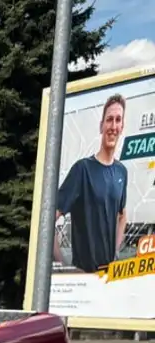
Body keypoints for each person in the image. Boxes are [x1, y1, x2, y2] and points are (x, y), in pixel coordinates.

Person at [55, 94, 128, 273]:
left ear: (122, 126)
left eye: (118, 120)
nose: (113, 126)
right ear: (101, 126)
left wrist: (115, 252)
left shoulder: (121, 172)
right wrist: (65, 266)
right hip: (85, 277)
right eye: (109, 120)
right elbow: (49, 218)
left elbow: (122, 216)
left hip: (108, 277)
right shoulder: (82, 170)